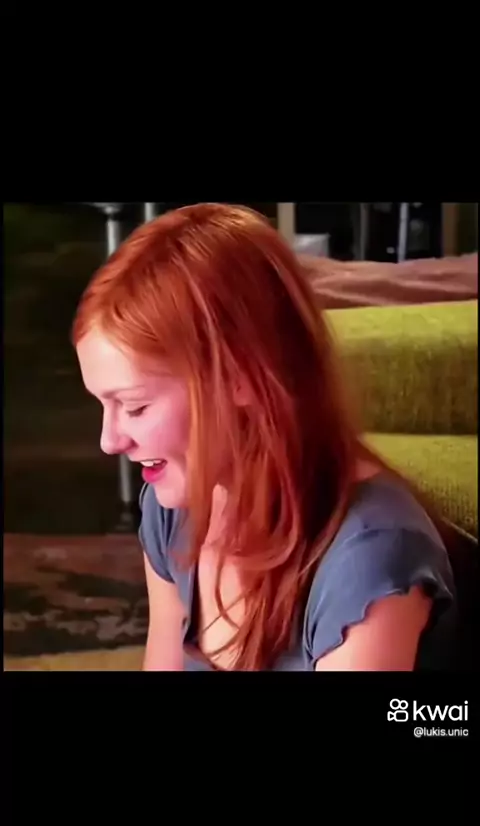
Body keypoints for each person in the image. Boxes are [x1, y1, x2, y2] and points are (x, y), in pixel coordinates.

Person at [73, 202, 458, 672]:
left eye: (135, 406)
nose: (109, 441)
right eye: (104, 404)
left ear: (242, 377)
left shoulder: (370, 558)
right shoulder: (173, 509)